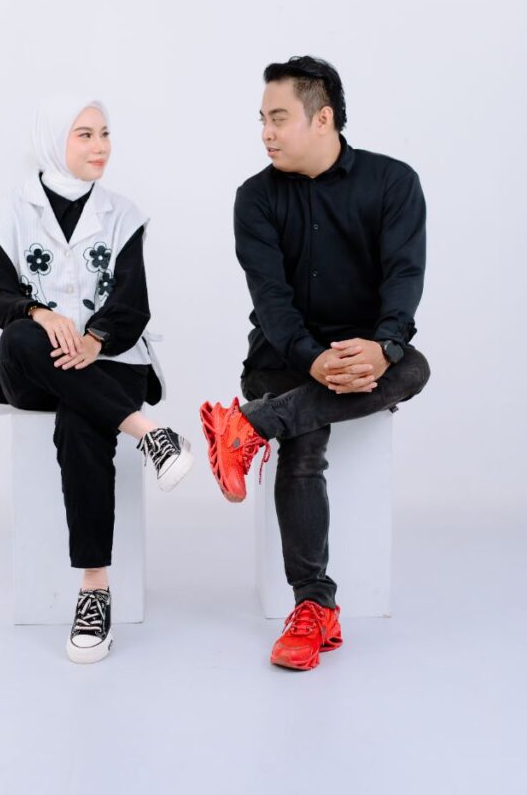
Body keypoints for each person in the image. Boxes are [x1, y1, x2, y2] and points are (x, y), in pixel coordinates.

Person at [199, 56, 430, 672]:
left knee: (414, 368)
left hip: (365, 354)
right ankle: (313, 607)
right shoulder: (255, 198)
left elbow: (404, 279)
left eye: (278, 118)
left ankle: (250, 426)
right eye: (262, 120)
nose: (266, 133)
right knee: (304, 442)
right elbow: (271, 304)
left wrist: (384, 346)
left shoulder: (393, 183)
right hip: (282, 356)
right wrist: (313, 358)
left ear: (322, 118)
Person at [0, 94, 193, 664]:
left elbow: (133, 304)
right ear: (54, 141)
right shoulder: (7, 212)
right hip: (33, 365)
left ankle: (94, 591)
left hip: (112, 362)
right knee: (18, 337)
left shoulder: (124, 215)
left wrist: (94, 340)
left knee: (81, 420)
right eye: (85, 135)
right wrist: (40, 315)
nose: (101, 147)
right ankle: (149, 433)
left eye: (105, 134)